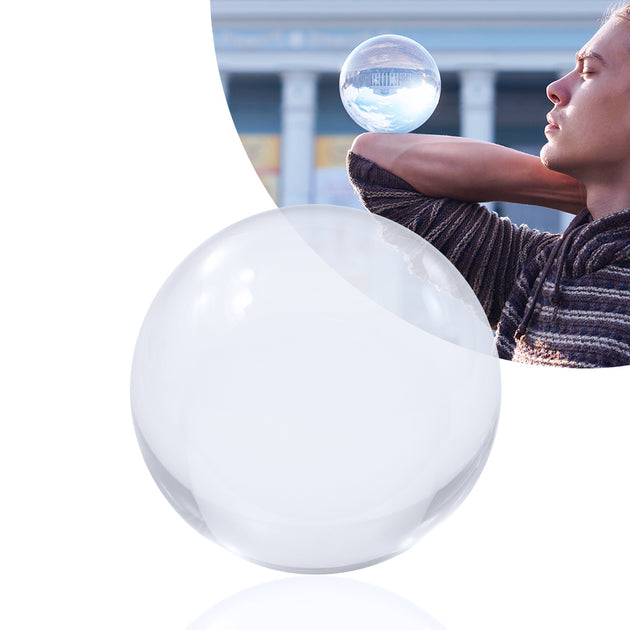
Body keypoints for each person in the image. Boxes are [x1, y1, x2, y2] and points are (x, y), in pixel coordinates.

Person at [347, 4, 630, 368]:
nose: (556, 88)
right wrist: (588, 191)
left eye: (588, 71)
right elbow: (377, 163)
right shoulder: (537, 270)